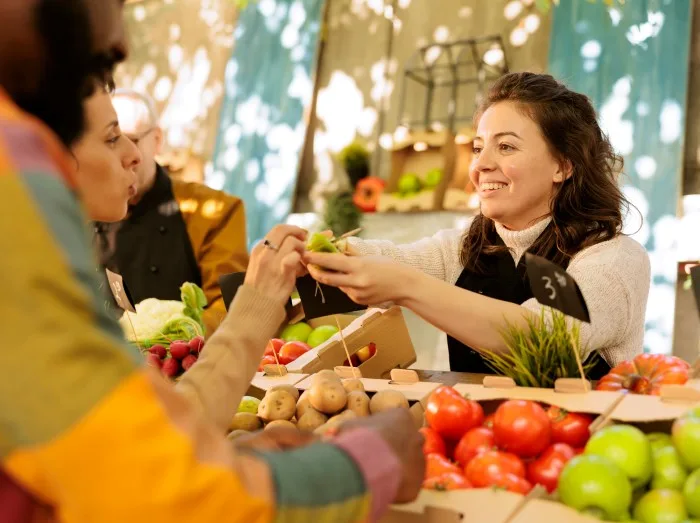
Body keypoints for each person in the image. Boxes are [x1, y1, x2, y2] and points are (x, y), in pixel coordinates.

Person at [0, 1, 424, 522]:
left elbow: (121, 441)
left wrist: (259, 303)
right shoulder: (13, 169)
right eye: (112, 139)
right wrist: (366, 464)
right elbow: (154, 492)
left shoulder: (216, 210)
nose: (123, 42)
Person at [306, 72, 650, 376]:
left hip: (580, 446)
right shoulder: (465, 249)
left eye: (505, 146)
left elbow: (543, 335)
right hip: (477, 443)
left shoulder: (612, 260)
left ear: (562, 166)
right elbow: (380, 260)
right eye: (478, 147)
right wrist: (307, 258)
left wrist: (408, 287)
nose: (481, 164)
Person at [96, 88, 248, 335]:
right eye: (110, 142)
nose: (124, 156)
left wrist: (172, 339)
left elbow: (231, 304)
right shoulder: (78, 210)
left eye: (132, 140)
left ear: (156, 140)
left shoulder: (214, 211)